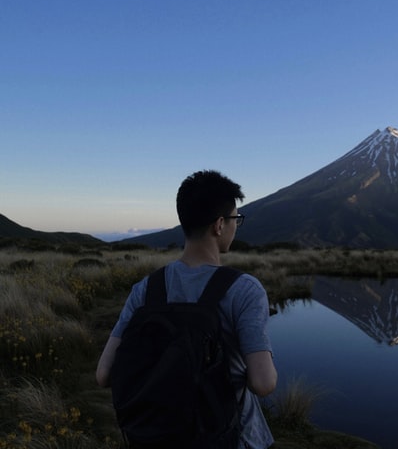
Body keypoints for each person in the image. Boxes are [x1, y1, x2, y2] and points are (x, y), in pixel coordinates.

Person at [96, 170, 277, 449]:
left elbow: (103, 375)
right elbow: (264, 383)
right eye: (235, 219)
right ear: (219, 225)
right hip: (230, 438)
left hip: (155, 436)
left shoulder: (145, 289)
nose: (235, 226)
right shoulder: (245, 289)